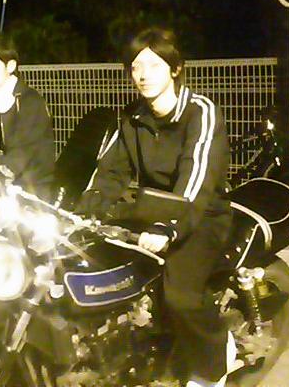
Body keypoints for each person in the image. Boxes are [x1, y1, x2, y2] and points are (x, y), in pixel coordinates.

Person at [77, 28, 234, 386]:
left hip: (202, 214)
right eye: (135, 67)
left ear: (175, 69)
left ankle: (213, 361)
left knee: (180, 295)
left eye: (153, 65)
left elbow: (196, 177)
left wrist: (168, 227)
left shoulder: (201, 112)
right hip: (152, 211)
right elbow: (111, 171)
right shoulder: (132, 116)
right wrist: (85, 208)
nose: (143, 75)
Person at [0, 33, 56, 199]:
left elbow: (25, 148)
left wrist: (2, 172)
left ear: (10, 66)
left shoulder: (29, 101)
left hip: (32, 188)